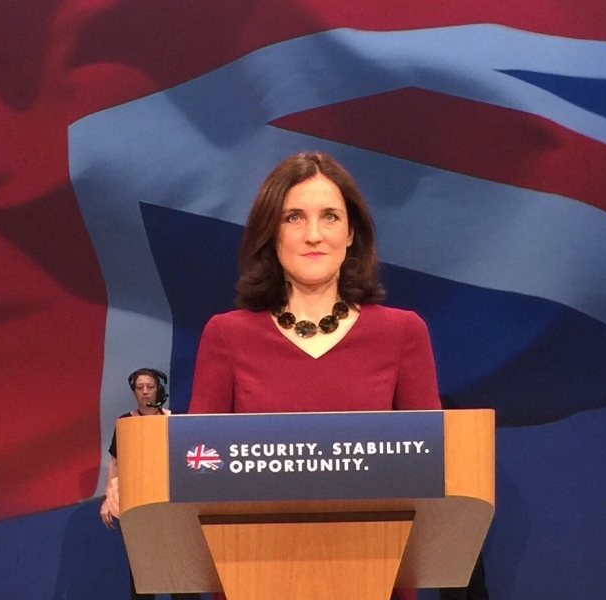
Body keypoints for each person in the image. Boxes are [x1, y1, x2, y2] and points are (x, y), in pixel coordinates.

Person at [187, 151, 442, 600]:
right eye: (293, 218)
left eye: (330, 216)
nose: (313, 235)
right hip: (252, 577)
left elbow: (433, 469)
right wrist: (142, 480)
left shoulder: (402, 333)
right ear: (271, 233)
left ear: (351, 233)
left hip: (376, 579)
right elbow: (197, 464)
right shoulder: (226, 335)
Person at [100, 367, 200, 600]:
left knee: (180, 565)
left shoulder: (173, 420)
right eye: (140, 388)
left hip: (171, 502)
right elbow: (116, 462)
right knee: (141, 569)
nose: (145, 392)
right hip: (138, 504)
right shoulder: (125, 423)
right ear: (134, 392)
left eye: (150, 387)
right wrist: (108, 497)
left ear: (159, 390)